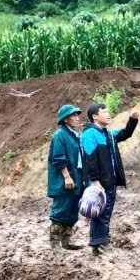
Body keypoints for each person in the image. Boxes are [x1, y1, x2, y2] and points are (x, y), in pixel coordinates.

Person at [81, 103, 139, 255]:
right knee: (100, 211)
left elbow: (125, 133)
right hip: (100, 182)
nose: (108, 114)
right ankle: (99, 244)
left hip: (110, 180)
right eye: (104, 111)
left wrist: (132, 120)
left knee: (105, 211)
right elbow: (89, 159)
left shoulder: (108, 134)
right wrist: (95, 181)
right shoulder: (89, 134)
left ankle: (100, 242)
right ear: (95, 116)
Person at [47, 104, 85, 250]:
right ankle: (54, 243)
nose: (77, 118)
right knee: (61, 209)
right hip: (64, 180)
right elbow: (58, 158)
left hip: (77, 177)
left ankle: (66, 241)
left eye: (77, 115)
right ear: (65, 119)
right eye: (73, 116)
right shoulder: (60, 135)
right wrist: (67, 177)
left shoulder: (76, 135)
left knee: (72, 209)